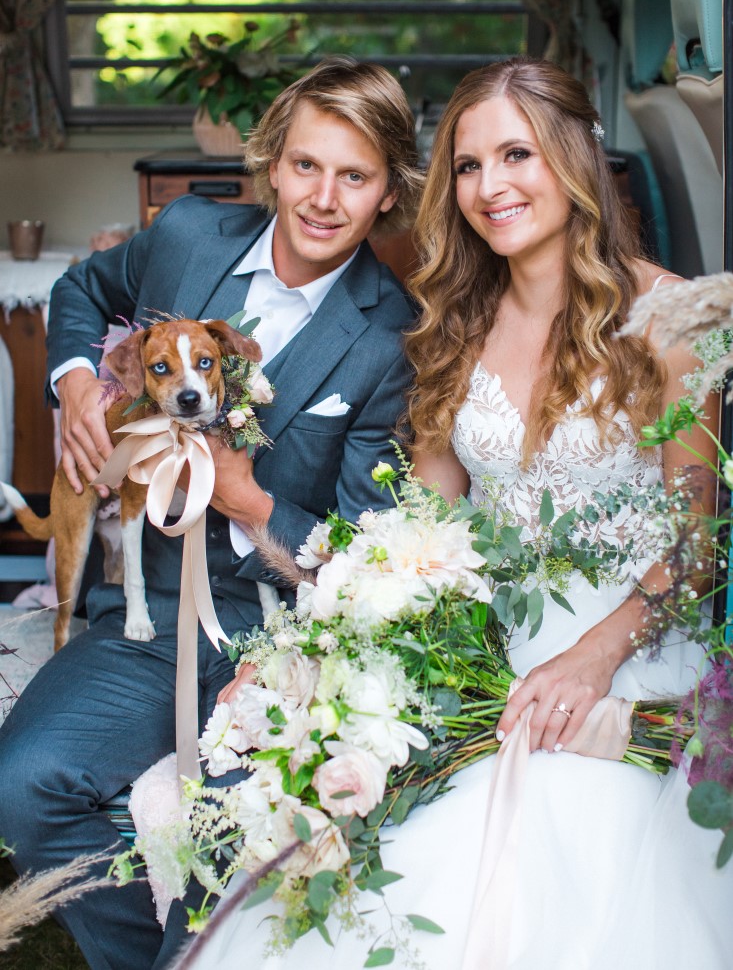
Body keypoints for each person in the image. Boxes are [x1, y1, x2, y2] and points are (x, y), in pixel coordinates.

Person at [183, 58, 730, 969]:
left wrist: (590, 661)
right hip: (480, 659)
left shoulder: (673, 321)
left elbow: (696, 547)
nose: (489, 186)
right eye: (466, 166)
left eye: (515, 154)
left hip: (624, 663)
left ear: (573, 159)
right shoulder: (453, 326)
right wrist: (306, 653)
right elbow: (413, 533)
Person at [0, 56, 423, 970]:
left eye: (355, 176)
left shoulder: (393, 338)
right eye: (306, 165)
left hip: (280, 639)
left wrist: (250, 498)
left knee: (243, 832)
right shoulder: (187, 233)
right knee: (19, 785)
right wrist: (75, 385)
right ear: (271, 163)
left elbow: (355, 553)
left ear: (388, 193)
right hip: (144, 620)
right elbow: (80, 292)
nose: (322, 197)